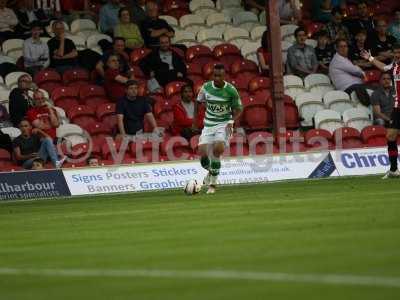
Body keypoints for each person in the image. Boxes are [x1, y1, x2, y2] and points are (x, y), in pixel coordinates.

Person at [194, 64, 242, 194]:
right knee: (203, 154)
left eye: (219, 75)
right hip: (209, 124)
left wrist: (231, 121)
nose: (216, 78)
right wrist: (195, 120)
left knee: (217, 150)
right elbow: (198, 102)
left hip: (224, 124)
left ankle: (213, 185)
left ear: (224, 76)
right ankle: (211, 172)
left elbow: (239, 109)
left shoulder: (231, 90)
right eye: (214, 75)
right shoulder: (206, 88)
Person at [360, 44, 400, 178]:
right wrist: (370, 58)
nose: (397, 55)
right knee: (390, 136)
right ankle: (394, 170)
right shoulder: (394, 66)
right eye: (395, 53)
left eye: (399, 53)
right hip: (397, 107)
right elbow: (383, 67)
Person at [329, 38, 373, 106]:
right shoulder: (338, 59)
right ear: (336, 48)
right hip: (347, 88)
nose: (344, 48)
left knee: (373, 87)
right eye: (341, 46)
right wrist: (362, 72)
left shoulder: (345, 59)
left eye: (345, 46)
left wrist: (358, 69)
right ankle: (369, 106)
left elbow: (356, 69)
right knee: (361, 88)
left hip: (355, 86)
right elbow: (356, 70)